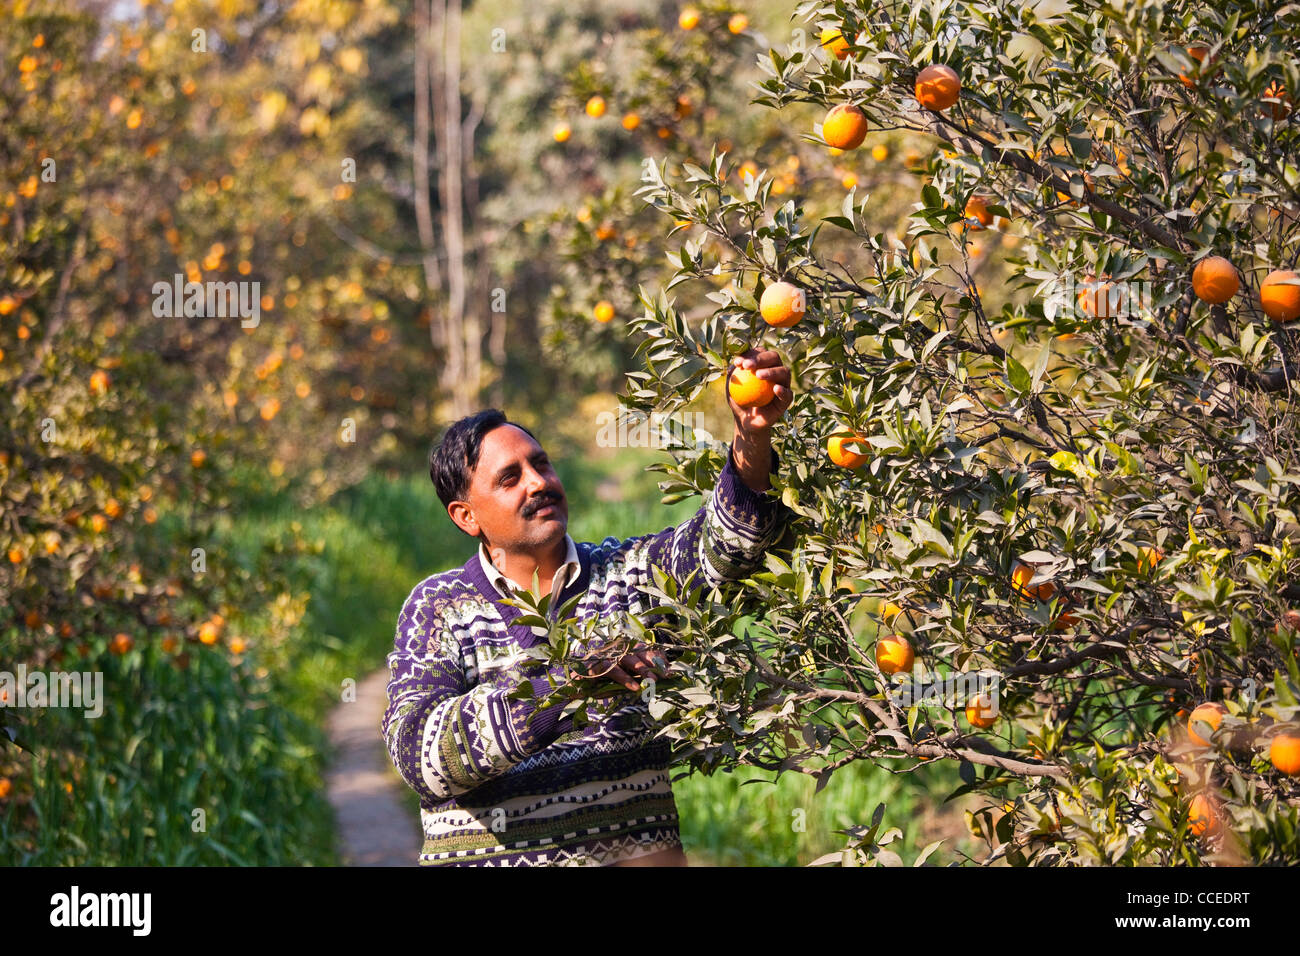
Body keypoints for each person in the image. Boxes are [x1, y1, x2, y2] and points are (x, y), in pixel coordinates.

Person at [381, 349, 794, 866]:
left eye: (541, 463)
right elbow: (421, 754)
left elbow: (727, 546)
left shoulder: (632, 575)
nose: (538, 481)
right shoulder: (439, 608)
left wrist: (753, 439)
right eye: (510, 478)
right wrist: (567, 684)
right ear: (466, 516)